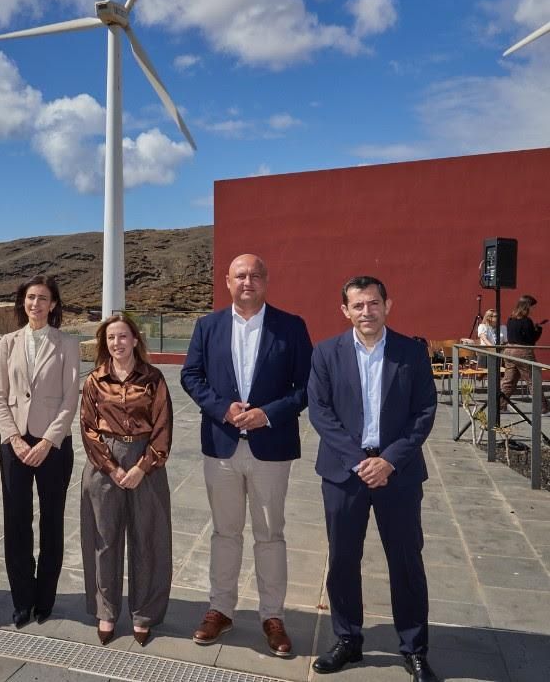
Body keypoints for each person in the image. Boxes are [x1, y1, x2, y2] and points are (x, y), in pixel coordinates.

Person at [307, 276, 439, 682]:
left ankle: (414, 649)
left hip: (398, 474)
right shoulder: (326, 353)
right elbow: (320, 412)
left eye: (374, 303)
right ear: (345, 311)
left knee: (406, 561)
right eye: (358, 305)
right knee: (343, 560)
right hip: (343, 474)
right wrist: (358, 462)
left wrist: (388, 461)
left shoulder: (411, 352)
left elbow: (424, 412)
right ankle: (347, 639)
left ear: (388, 305)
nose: (367, 311)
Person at [181, 254, 312, 657]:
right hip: (221, 446)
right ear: (227, 281)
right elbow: (191, 376)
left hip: (270, 448)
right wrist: (222, 408)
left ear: (266, 281)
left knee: (270, 534)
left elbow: (307, 386)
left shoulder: (291, 327)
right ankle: (220, 609)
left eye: (255, 275)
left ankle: (272, 616)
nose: (247, 281)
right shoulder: (207, 326)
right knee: (225, 532)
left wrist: (266, 414)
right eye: (240, 275)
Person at [0, 275, 80, 629]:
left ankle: (45, 599)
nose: (35, 304)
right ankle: (21, 599)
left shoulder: (67, 344)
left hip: (52, 446)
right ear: (23, 302)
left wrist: (47, 441)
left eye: (43, 298)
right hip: (14, 445)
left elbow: (70, 398)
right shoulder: (8, 342)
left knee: (51, 522)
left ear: (53, 304)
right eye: (30, 297)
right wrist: (14, 438)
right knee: (16, 523)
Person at [80, 314, 173, 647]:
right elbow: (88, 427)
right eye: (110, 338)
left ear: (135, 339)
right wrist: (112, 467)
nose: (116, 343)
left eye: (122, 336)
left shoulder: (153, 379)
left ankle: (143, 612)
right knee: (103, 539)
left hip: (145, 461)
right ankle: (106, 610)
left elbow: (163, 427)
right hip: (103, 463)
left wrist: (141, 467)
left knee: (147, 537)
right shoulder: (95, 380)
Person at [499, 295, 549, 414]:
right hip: (523, 352)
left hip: (509, 350)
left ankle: (500, 406)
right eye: (532, 307)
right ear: (527, 306)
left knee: (509, 380)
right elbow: (531, 340)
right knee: (533, 379)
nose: (533, 309)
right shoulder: (527, 321)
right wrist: (538, 330)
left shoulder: (511, 319)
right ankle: (543, 408)